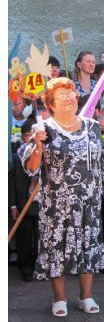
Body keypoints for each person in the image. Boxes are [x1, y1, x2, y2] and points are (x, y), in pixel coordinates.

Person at [22, 77, 104, 317]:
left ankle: (86, 296)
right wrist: (37, 146)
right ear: (51, 104)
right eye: (62, 95)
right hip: (56, 203)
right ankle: (59, 299)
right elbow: (31, 168)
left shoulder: (92, 126)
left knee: (89, 246)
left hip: (89, 201)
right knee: (57, 249)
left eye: (71, 93)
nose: (68, 98)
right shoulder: (43, 129)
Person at [9, 119, 40, 282]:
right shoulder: (18, 155)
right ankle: (25, 265)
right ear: (23, 137)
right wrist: (13, 205)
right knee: (25, 236)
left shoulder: (41, 152)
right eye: (28, 135)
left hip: (40, 202)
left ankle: (37, 264)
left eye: (33, 135)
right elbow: (13, 184)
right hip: (23, 203)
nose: (30, 139)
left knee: (39, 236)